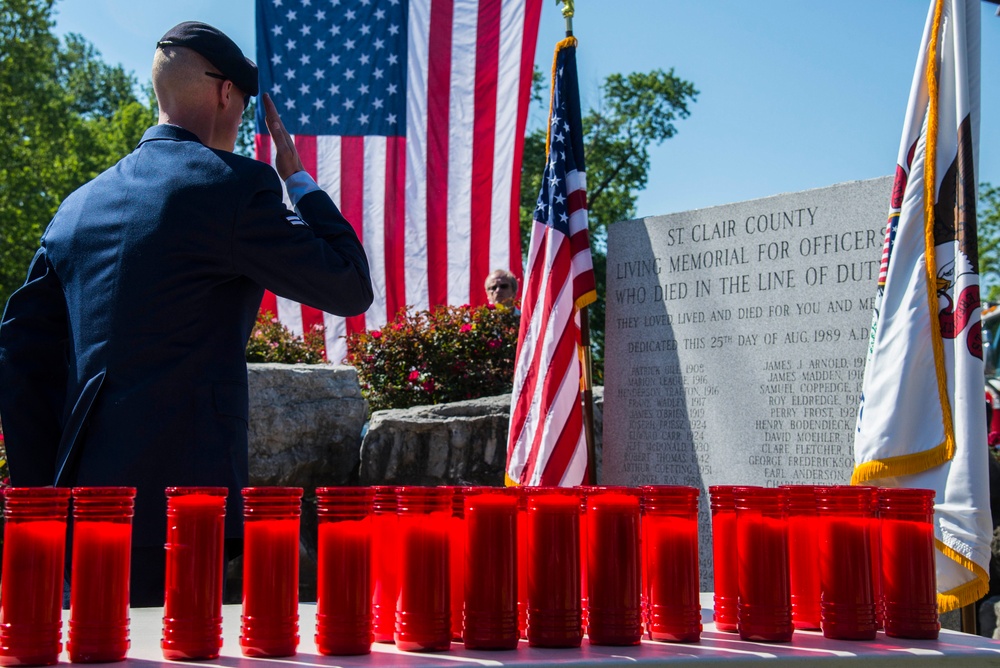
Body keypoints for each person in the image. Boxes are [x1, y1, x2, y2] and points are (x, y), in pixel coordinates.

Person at [0, 21, 372, 606]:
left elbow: (20, 358)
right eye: (244, 104)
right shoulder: (231, 187)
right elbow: (349, 285)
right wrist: (297, 180)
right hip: (183, 512)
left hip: (81, 508)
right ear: (225, 94)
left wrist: (43, 498)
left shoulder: (75, 209)